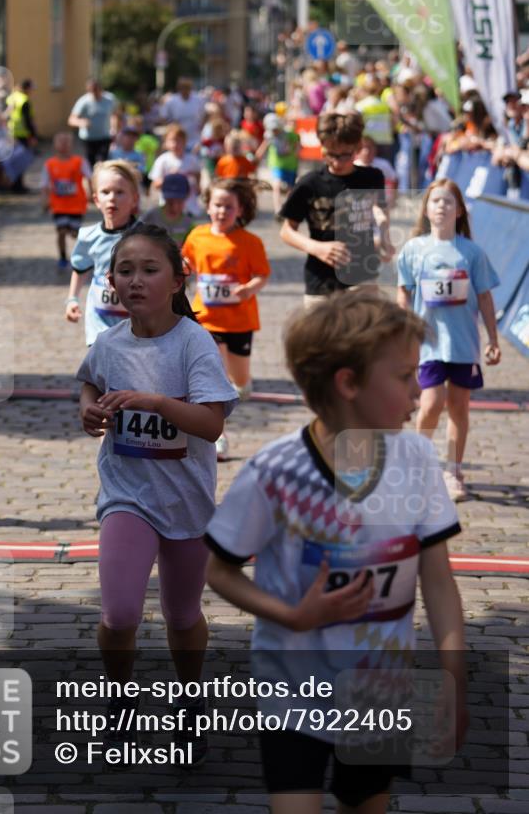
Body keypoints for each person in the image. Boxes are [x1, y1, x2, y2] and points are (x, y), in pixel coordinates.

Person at [206, 290, 467, 812]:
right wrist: (293, 615)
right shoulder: (275, 472)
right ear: (348, 383)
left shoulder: (415, 457)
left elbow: (437, 581)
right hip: (290, 696)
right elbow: (218, 570)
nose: (419, 390)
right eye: (403, 376)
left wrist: (453, 677)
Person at [77, 223, 237, 762]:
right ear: (111, 281)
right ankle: (118, 704)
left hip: (186, 502)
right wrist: (88, 408)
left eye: (149, 270)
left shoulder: (194, 343)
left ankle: (189, 707)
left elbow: (212, 425)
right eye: (126, 271)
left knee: (181, 614)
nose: (136, 281)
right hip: (127, 495)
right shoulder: (108, 343)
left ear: (176, 279)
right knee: (120, 613)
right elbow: (90, 380)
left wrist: (155, 402)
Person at [397, 178, 501, 502]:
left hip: (463, 344)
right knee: (429, 404)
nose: (441, 206)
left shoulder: (471, 252)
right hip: (428, 343)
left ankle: (454, 470)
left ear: (459, 212)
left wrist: (492, 340)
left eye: (449, 201)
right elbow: (404, 291)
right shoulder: (413, 249)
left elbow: (484, 297)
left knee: (458, 407)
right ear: (426, 208)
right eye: (436, 200)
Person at [182, 177, 270, 459]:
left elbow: (261, 274)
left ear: (240, 210)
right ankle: (219, 435)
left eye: (228, 207)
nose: (222, 211)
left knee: (240, 382)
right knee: (214, 376)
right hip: (206, 319)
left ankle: (242, 385)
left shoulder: (249, 242)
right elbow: (186, 265)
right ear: (207, 206)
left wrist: (248, 289)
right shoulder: (197, 236)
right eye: (217, 205)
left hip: (240, 321)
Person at [280, 112, 394, 312]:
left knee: (364, 339)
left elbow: (379, 209)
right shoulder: (309, 183)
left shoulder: (373, 177)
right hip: (321, 282)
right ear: (322, 147)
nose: (337, 162)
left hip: (362, 278)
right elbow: (287, 231)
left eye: (345, 155)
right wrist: (317, 248)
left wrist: (384, 234)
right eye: (331, 154)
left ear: (358, 147)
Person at [65, 160, 140, 345]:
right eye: (105, 192)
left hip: (136, 322)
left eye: (120, 192)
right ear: (97, 200)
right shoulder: (88, 236)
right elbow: (80, 268)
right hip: (99, 323)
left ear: (134, 199)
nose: (112, 198)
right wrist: (72, 299)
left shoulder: (145, 236)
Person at [40, 131, 92, 268]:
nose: (63, 145)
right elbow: (44, 185)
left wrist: (90, 193)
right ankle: (63, 257)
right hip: (58, 205)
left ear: (72, 145)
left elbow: (89, 178)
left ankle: (80, 255)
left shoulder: (79, 162)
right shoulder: (49, 164)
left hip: (77, 204)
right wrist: (45, 201)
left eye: (66, 142)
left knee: (75, 233)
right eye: (60, 142)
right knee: (61, 231)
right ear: (54, 145)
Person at [148, 123, 202, 216]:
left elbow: (197, 174)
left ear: (185, 142)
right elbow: (155, 183)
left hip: (189, 205)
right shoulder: (163, 160)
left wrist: (196, 184)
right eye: (172, 140)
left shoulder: (191, 159)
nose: (175, 144)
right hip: (169, 204)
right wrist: (171, 178)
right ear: (165, 143)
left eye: (179, 141)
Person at [255, 111, 300, 217]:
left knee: (290, 188)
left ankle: (289, 208)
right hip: (277, 164)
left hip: (290, 164)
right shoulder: (269, 136)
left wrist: (294, 150)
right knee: (276, 185)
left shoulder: (289, 134)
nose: (274, 131)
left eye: (276, 129)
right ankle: (278, 209)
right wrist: (257, 156)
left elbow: (297, 143)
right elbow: (264, 146)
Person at [68, 79, 119, 170]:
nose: (95, 93)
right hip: (89, 138)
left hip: (104, 136)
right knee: (90, 163)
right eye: (92, 91)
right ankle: (92, 180)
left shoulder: (109, 99)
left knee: (103, 162)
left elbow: (114, 114)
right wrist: (81, 122)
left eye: (96, 90)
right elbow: (71, 119)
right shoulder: (83, 102)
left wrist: (114, 128)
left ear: (101, 89)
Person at [142, 173, 194, 247]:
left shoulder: (189, 222)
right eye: (170, 202)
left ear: (187, 196)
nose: (174, 207)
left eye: (179, 201)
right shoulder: (150, 216)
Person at [5, 78, 38, 193]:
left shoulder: (12, 97)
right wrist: (32, 136)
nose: (32, 91)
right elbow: (27, 120)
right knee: (22, 160)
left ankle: (14, 184)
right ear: (27, 88)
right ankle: (19, 186)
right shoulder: (24, 100)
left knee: (14, 160)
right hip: (22, 134)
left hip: (10, 133)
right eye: (31, 89)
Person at [161, 77, 205, 151]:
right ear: (179, 88)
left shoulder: (198, 99)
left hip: (194, 140)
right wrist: (171, 129)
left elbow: (205, 115)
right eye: (183, 87)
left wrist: (202, 126)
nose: (185, 90)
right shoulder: (171, 101)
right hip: (177, 142)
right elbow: (163, 117)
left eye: (187, 87)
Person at [355, 135, 398, 209]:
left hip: (380, 203)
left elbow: (394, 180)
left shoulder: (383, 164)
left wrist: (393, 198)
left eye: (370, 148)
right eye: (364, 148)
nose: (367, 151)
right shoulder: (354, 165)